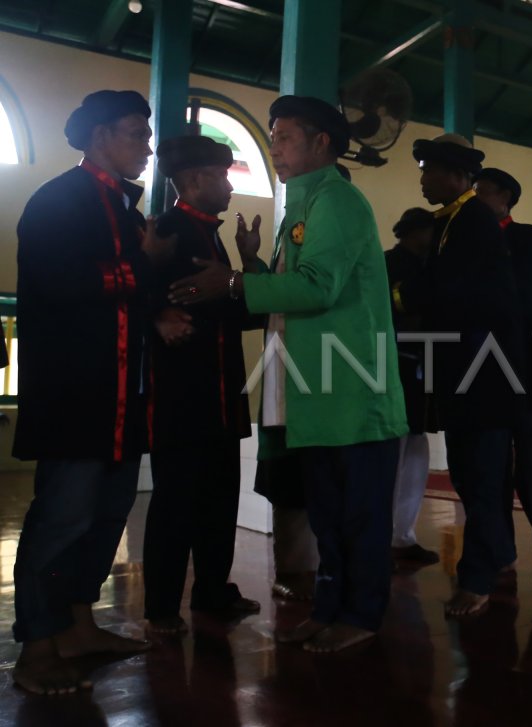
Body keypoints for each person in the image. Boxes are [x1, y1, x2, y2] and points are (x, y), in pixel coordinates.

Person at [171, 95, 407, 651]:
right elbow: (287, 291)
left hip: (353, 391)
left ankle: (363, 615)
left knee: (359, 519)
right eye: (273, 136)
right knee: (327, 516)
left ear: (321, 142)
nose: (273, 147)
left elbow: (318, 287)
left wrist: (232, 282)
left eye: (283, 136)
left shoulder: (339, 201)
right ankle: (329, 608)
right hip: (315, 391)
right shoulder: (302, 206)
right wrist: (252, 267)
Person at [11, 89, 172, 695]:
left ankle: (79, 626)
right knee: (62, 518)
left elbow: (128, 296)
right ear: (101, 137)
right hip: (76, 394)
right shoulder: (58, 200)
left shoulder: (124, 212)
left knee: (106, 516)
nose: (146, 146)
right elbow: (63, 283)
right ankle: (37, 647)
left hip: (124, 396)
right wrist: (146, 262)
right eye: (136, 133)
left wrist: (158, 313)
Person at [142, 135, 260, 636]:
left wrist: (248, 262)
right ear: (194, 179)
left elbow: (241, 316)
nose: (230, 185)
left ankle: (213, 591)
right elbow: (140, 297)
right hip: (182, 400)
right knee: (175, 505)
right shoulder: (166, 232)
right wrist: (155, 315)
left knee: (218, 503)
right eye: (223, 174)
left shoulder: (211, 236)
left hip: (220, 399)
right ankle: (162, 609)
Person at [406, 134, 522, 617]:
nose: (422, 178)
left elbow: (477, 299)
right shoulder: (455, 220)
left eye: (429, 170)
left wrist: (419, 304)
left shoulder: (474, 221)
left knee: (480, 475)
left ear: (455, 175)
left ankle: (476, 580)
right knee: (472, 474)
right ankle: (494, 559)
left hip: (481, 375)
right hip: (465, 372)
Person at [474, 167, 532, 580]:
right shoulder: (470, 238)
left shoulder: (526, 237)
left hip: (525, 368)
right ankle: (503, 550)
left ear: (506, 197)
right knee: (492, 469)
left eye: (484, 193)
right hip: (485, 371)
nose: (477, 199)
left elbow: (525, 300)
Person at [385, 208, 440, 567]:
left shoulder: (428, 265)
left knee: (417, 445)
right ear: (411, 232)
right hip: (398, 360)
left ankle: (403, 535)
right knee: (395, 448)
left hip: (426, 359)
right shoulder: (389, 263)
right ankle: (387, 535)